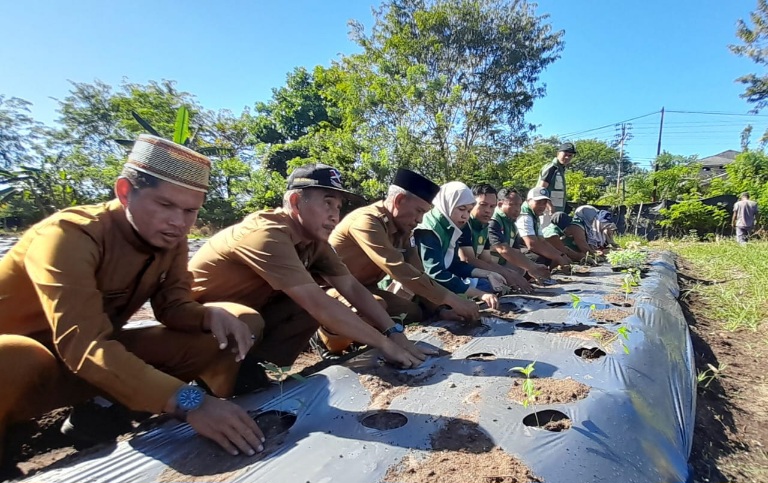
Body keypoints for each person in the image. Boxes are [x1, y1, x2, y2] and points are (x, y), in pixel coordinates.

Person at [0, 135, 266, 466]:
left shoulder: (171, 239)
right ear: (125, 191)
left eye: (190, 211)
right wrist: (191, 401)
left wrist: (207, 316)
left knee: (237, 319)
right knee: (20, 355)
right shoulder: (67, 236)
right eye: (165, 205)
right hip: (30, 369)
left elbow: (172, 306)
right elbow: (83, 346)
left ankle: (103, 408)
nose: (178, 222)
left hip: (86, 362)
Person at [189, 163, 432, 376]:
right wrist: (385, 344)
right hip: (195, 320)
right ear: (296, 202)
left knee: (300, 309)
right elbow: (318, 303)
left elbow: (350, 286)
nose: (335, 215)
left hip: (251, 313)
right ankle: (211, 384)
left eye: (338, 207)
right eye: (327, 203)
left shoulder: (314, 242)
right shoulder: (267, 235)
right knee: (250, 318)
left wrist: (394, 332)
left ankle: (255, 376)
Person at [319, 168, 482, 357]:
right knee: (376, 306)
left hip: (364, 289)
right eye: (419, 211)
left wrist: (441, 309)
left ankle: (364, 335)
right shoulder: (367, 221)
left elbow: (416, 270)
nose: (420, 219)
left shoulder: (403, 230)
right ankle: (328, 338)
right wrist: (453, 299)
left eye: (424, 213)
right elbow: (399, 269)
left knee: (412, 312)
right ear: (398, 201)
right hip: (332, 289)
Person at [413, 182, 506, 310]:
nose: (465, 216)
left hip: (435, 287)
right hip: (418, 292)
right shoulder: (430, 229)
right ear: (447, 204)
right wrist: (480, 294)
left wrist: (488, 274)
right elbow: (435, 273)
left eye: (468, 211)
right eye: (461, 209)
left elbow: (454, 264)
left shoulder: (450, 226)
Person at [457, 184, 533, 294]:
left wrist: (510, 274)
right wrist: (505, 275)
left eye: (492, 206)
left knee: (515, 272)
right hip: (459, 275)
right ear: (471, 204)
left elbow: (487, 260)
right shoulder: (465, 225)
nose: (488, 210)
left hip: (474, 272)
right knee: (491, 284)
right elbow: (468, 260)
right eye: (483, 205)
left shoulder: (485, 226)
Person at [488, 189, 551, 281]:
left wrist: (533, 266)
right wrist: (531, 267)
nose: (517, 209)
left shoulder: (512, 224)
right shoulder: (493, 222)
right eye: (512, 204)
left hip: (501, 263)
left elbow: (516, 251)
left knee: (522, 269)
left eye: (519, 205)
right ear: (500, 204)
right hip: (488, 264)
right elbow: (503, 250)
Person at [516, 187, 572, 269]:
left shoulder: (534, 215)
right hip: (515, 248)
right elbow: (532, 244)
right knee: (538, 259)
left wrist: (561, 255)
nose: (542, 206)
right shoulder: (525, 216)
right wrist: (557, 257)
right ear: (528, 201)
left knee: (551, 256)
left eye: (544, 203)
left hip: (523, 246)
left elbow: (542, 241)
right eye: (538, 202)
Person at [537, 142, 577, 225]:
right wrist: (550, 207)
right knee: (546, 231)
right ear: (558, 153)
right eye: (565, 154)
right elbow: (541, 190)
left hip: (556, 212)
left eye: (570, 155)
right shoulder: (552, 168)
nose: (567, 157)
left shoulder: (560, 169)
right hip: (546, 211)